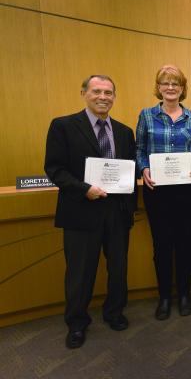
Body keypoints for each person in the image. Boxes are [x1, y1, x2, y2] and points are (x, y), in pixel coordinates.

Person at [44, 75, 137, 349]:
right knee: (80, 272)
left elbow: (128, 169)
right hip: (81, 210)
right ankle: (76, 323)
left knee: (118, 267)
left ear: (114, 97)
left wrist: (129, 207)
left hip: (116, 211)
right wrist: (85, 188)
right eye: (97, 91)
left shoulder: (123, 131)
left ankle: (114, 312)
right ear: (84, 92)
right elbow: (55, 169)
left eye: (109, 92)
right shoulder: (63, 126)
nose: (103, 97)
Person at [136, 65, 191, 320]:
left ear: (183, 88)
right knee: (161, 244)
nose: (171, 87)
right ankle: (164, 297)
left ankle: (184, 294)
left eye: (176, 83)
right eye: (165, 83)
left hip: (186, 191)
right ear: (159, 87)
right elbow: (139, 149)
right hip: (157, 191)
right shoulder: (146, 115)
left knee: (185, 243)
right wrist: (143, 169)